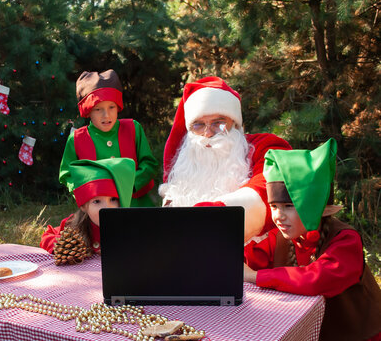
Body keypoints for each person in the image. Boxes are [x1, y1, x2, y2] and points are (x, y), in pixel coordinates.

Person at [243, 139, 381, 341]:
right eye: (274, 207)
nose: (278, 216)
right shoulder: (280, 237)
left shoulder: (345, 240)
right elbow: (249, 258)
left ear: (314, 204)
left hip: (358, 335)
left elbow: (316, 278)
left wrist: (254, 276)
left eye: (289, 206)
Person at [158, 76, 292, 242]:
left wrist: (206, 218)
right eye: (198, 125)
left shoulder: (263, 147)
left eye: (218, 123)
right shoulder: (184, 163)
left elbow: (265, 190)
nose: (208, 133)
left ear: (234, 124)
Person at [59, 69, 158, 207]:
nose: (106, 115)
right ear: (88, 111)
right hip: (98, 209)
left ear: (118, 107)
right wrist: (85, 193)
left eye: (111, 107)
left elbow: (149, 164)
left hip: (136, 204)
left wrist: (131, 185)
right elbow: (67, 174)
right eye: (98, 109)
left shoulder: (133, 128)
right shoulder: (77, 139)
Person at [41, 157, 136, 254]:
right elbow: (48, 235)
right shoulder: (74, 224)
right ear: (84, 207)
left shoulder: (132, 226)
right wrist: (64, 246)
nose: (107, 207)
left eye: (113, 199)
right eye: (97, 201)